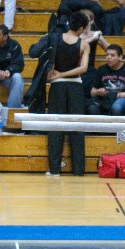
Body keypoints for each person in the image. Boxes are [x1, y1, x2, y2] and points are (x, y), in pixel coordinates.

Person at [46, 11, 90, 176]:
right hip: (75, 87)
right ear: (81, 28)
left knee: (55, 127)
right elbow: (83, 68)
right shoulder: (84, 44)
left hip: (57, 86)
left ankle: (55, 170)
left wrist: (58, 74)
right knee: (77, 128)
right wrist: (65, 75)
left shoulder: (55, 38)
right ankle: (78, 170)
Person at [87, 44, 125, 116]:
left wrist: (117, 95)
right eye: (107, 55)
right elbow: (92, 92)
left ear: (120, 57)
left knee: (116, 107)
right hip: (104, 99)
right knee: (92, 107)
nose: (108, 57)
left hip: (122, 99)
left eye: (112, 55)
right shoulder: (101, 69)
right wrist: (98, 91)